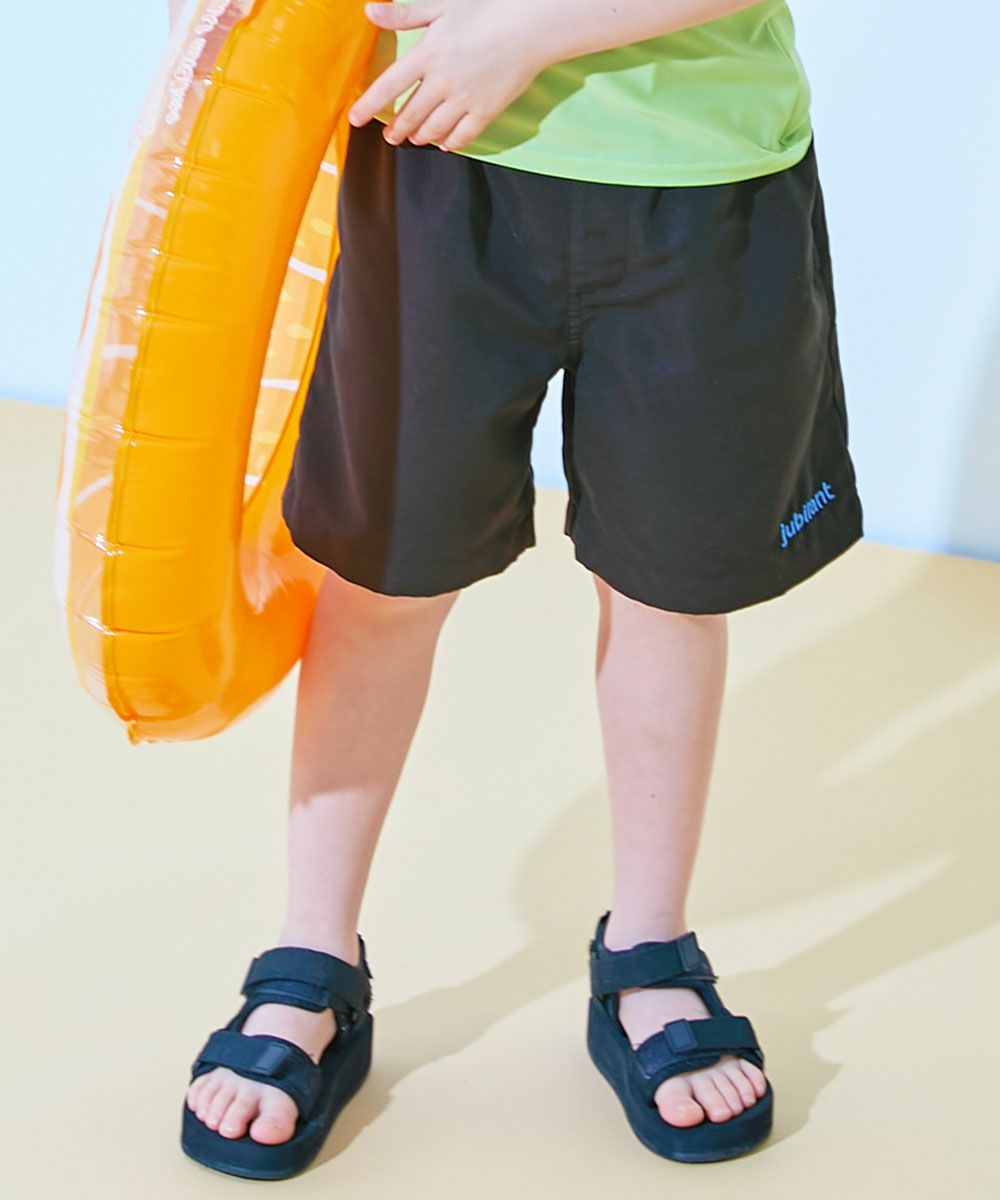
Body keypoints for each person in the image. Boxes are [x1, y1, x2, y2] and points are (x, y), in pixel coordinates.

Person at [179, 0, 864, 1175]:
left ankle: (648, 949)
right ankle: (310, 955)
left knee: (669, 591)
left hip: (700, 176)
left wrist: (529, 33)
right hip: (436, 153)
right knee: (383, 581)